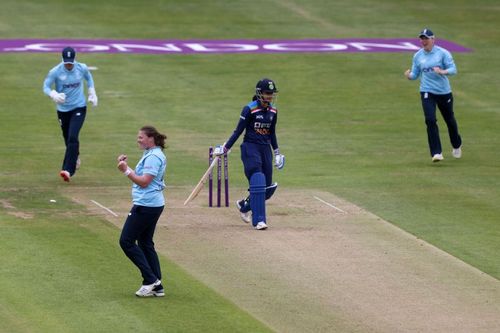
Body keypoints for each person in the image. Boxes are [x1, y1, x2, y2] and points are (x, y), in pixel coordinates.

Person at [214, 78, 285, 230]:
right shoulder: (249, 109)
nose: (270, 96)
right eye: (267, 93)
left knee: (267, 188)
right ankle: (259, 220)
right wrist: (225, 148)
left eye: (272, 94)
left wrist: (277, 152)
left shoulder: (273, 111)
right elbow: (238, 131)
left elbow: (272, 133)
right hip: (250, 147)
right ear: (259, 93)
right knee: (258, 178)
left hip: (265, 149)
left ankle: (244, 205)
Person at [117, 126, 167, 297]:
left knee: (126, 241)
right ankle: (157, 286)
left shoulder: (154, 157)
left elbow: (144, 182)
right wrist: (127, 166)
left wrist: (126, 171)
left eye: (141, 137)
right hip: (151, 204)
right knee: (145, 242)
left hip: (146, 206)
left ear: (151, 138)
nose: (138, 140)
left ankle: (150, 280)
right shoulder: (151, 153)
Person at [405, 28, 462, 162]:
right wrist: (409, 76)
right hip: (427, 91)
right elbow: (415, 74)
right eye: (422, 38)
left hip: (443, 92)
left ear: (433, 39)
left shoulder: (443, 53)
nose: (423, 41)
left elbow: (454, 70)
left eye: (426, 38)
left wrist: (442, 72)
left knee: (450, 120)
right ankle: (436, 152)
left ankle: (456, 144)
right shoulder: (418, 55)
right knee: (430, 120)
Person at [43, 46, 98, 182]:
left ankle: (68, 170)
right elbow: (45, 86)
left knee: (73, 136)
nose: (69, 65)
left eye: (71, 62)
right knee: (68, 139)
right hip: (63, 110)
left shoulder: (81, 68)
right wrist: (53, 94)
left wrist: (92, 92)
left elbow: (88, 78)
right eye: (66, 62)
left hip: (79, 107)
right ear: (63, 59)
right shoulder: (55, 72)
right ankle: (75, 156)